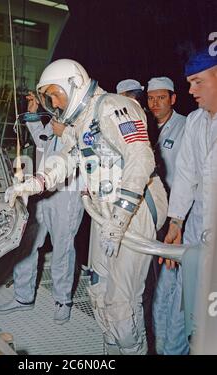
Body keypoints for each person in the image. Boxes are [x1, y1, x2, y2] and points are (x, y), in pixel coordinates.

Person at [4, 59, 168, 354]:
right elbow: (65, 159)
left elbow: (141, 159)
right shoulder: (79, 121)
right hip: (105, 213)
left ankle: (133, 350)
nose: (53, 102)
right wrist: (32, 184)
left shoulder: (114, 107)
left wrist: (119, 221)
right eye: (49, 97)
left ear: (75, 83)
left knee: (121, 306)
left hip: (135, 211)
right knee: (97, 290)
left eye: (56, 94)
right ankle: (112, 349)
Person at [0, 91, 85, 325]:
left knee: (63, 248)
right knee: (27, 243)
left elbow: (82, 151)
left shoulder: (81, 121)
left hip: (67, 195)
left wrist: (63, 131)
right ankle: (23, 297)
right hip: (42, 192)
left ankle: (62, 300)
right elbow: (44, 141)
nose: (53, 102)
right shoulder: (56, 120)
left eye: (55, 96)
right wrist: (33, 116)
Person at [158, 48, 217, 353]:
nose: (191, 91)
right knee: (184, 306)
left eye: (197, 82)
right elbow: (185, 175)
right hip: (195, 232)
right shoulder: (195, 122)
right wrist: (176, 221)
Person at [147, 77, 188, 355]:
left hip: (178, 214)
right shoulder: (147, 128)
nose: (155, 103)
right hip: (154, 212)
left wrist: (179, 219)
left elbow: (188, 176)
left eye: (162, 98)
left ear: (173, 99)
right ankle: (158, 337)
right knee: (156, 276)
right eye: (151, 98)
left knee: (171, 280)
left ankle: (167, 344)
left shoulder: (186, 127)